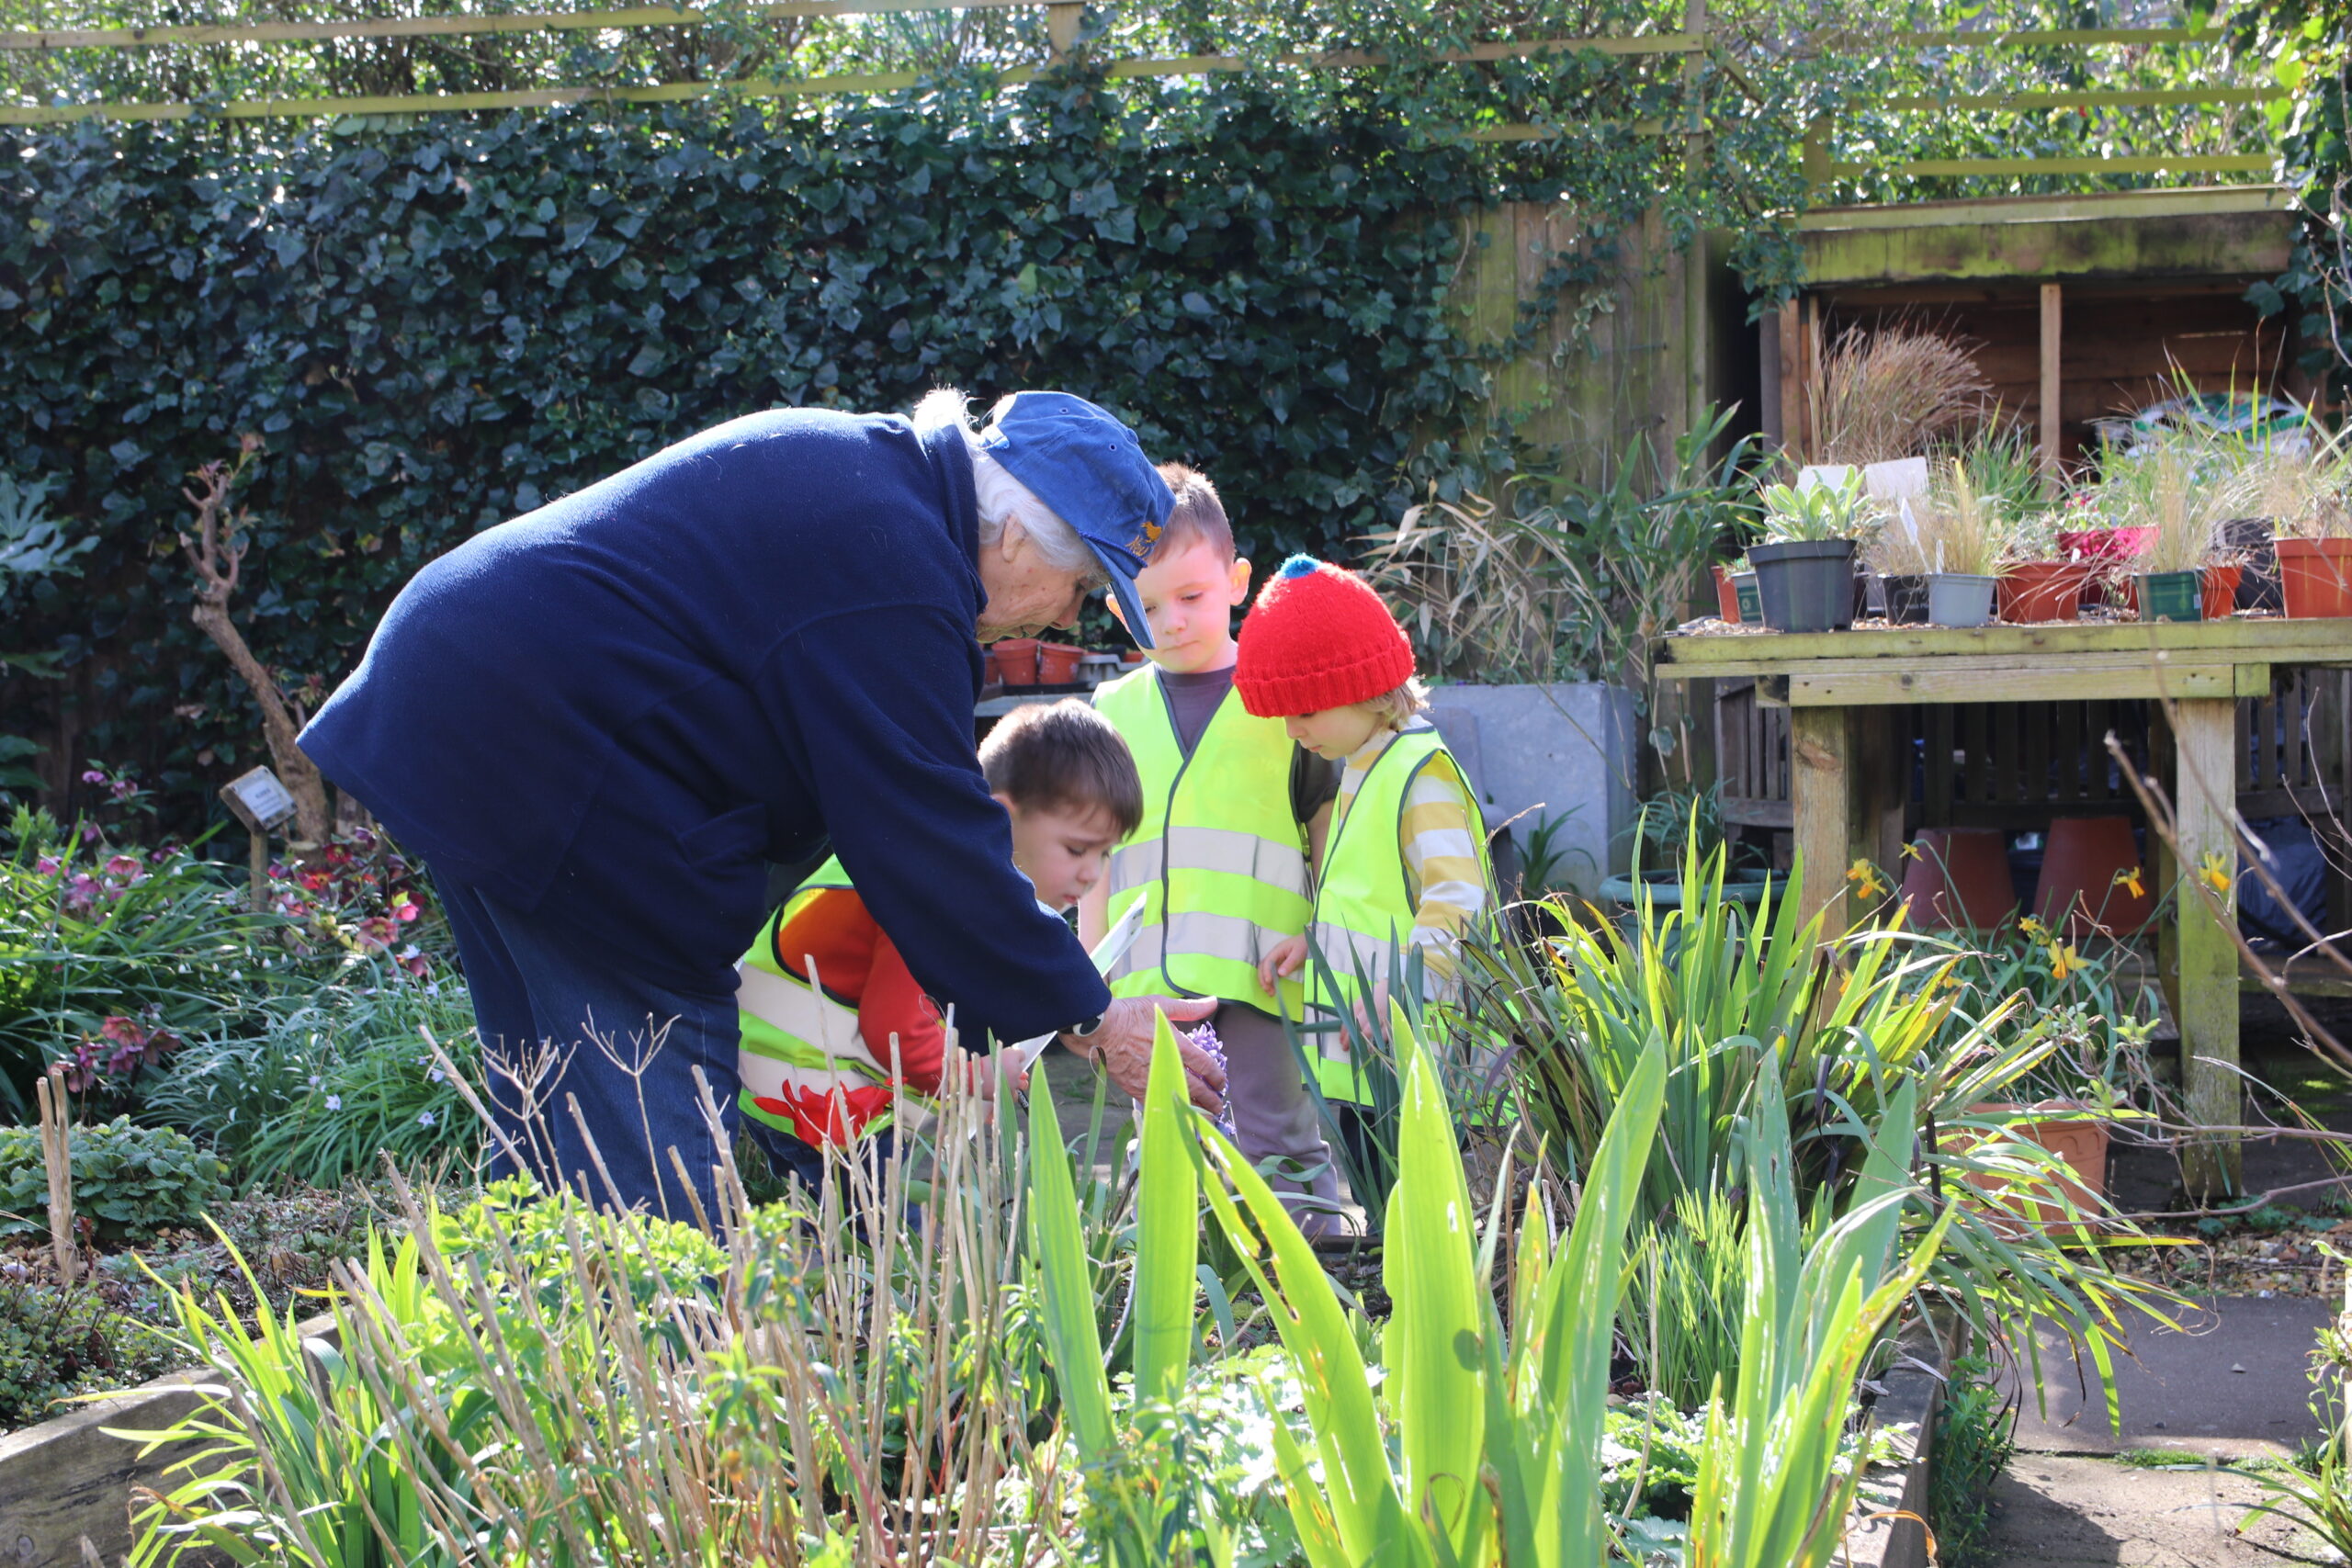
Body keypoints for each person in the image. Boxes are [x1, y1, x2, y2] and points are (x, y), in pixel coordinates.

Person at [298, 389, 1223, 1222]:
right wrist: (1096, 1016)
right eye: (1082, 586)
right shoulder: (893, 567)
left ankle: (546, 1354)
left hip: (472, 717)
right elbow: (925, 836)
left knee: (561, 1105)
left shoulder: (875, 484)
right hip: (541, 751)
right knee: (644, 1129)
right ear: (1020, 535)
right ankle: (663, 1378)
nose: (1064, 619)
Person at [1079, 468, 1343, 1231]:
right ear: (1115, 605)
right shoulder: (1110, 712)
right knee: (1167, 1153)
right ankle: (1191, 1312)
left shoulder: (1284, 704)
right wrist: (1091, 981)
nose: (1168, 621)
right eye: (1145, 604)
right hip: (1147, 994)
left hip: (1263, 979)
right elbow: (1095, 857)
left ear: (1237, 582)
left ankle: (1314, 1300)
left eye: (1190, 597)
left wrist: (1322, 936)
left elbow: (1325, 835)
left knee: (1281, 1150)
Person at [740, 699, 1143, 1188]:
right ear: (1002, 819)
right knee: (891, 1235)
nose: (1091, 873)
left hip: (801, 1074)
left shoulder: (939, 865)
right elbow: (896, 1030)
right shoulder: (937, 885)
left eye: (1105, 854)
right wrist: (981, 1077)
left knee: (851, 1237)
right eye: (1077, 848)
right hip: (808, 1085)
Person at [1235, 555, 1492, 1168]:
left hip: (1415, 1064)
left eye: (1305, 710)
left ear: (1361, 690)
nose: (1294, 730)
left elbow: (1460, 899)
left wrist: (1404, 990)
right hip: (1373, 1064)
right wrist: (1313, 940)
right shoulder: (1365, 765)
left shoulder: (1417, 775)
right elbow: (1375, 895)